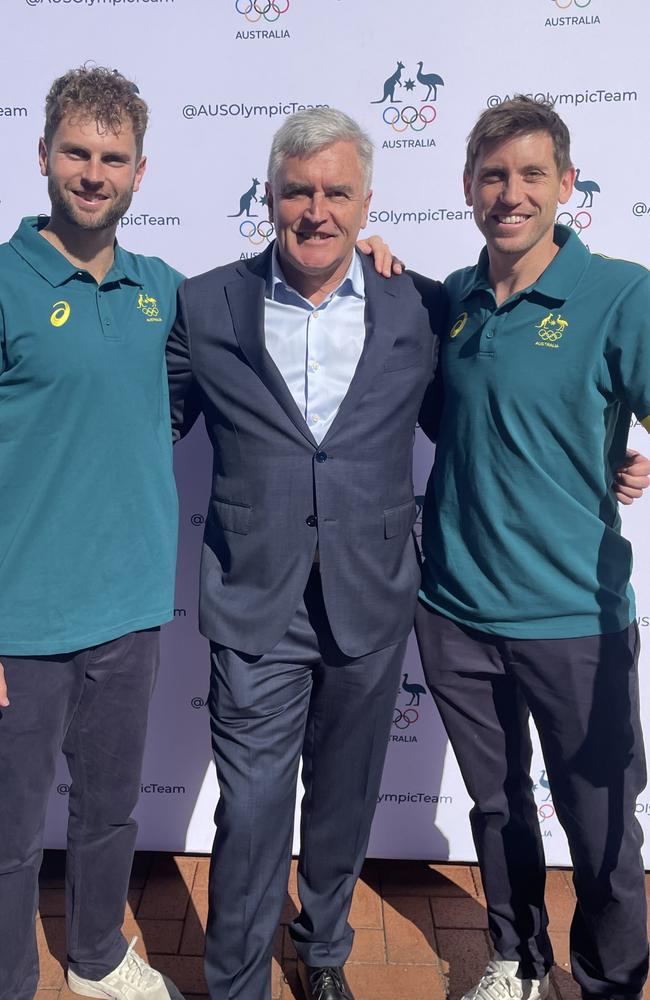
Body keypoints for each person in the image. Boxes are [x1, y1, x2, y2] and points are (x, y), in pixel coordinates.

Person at [165, 106, 443, 1000]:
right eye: (298, 191)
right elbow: (142, 427)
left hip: (372, 592)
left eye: (336, 192)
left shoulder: (421, 304)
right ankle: (237, 980)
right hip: (255, 598)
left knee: (342, 801)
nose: (316, 210)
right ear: (271, 195)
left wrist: (605, 447)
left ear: (366, 202)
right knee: (249, 810)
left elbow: (486, 416)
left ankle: (323, 953)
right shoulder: (205, 303)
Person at [414, 96, 650, 1000]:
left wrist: (624, 454)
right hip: (456, 614)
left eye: (531, 174)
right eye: (493, 175)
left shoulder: (619, 293)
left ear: (567, 185)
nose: (511, 193)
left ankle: (611, 982)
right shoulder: (459, 297)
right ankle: (517, 956)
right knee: (498, 805)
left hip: (574, 623)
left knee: (600, 828)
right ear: (470, 188)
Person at [0, 66, 183, 1000]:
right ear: (42, 156)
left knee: (110, 812)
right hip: (21, 622)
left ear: (140, 173)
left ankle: (100, 957)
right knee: (7, 830)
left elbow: (285, 306)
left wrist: (375, 256)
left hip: (131, 608)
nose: (93, 171)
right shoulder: (1, 283)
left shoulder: (163, 290)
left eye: (114, 157)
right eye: (76, 151)